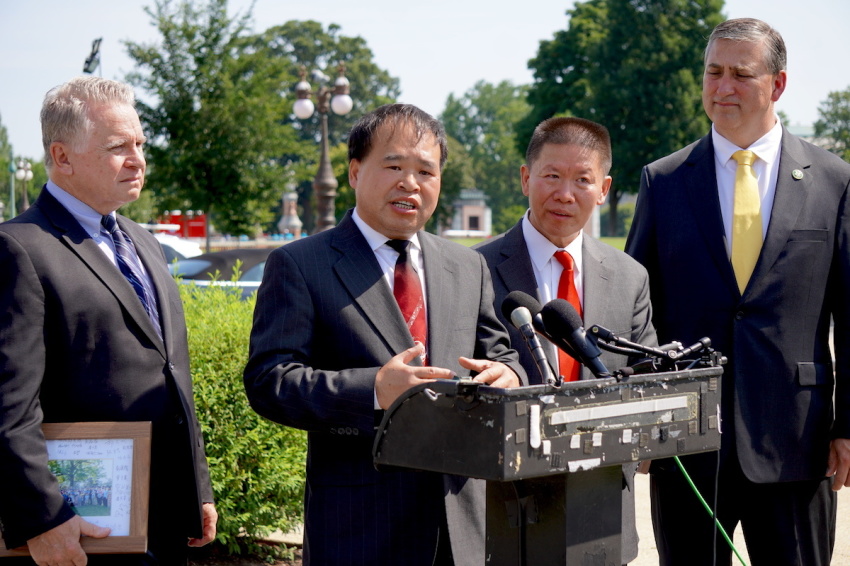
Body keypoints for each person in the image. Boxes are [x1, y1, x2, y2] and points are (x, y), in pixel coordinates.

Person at [243, 103, 525, 566]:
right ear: (355, 172)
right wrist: (373, 389)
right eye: (394, 166)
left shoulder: (467, 265)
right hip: (360, 527)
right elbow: (269, 381)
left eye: (426, 172)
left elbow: (501, 354)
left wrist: (508, 375)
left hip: (461, 525)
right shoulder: (300, 264)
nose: (410, 183)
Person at [625, 17, 850, 566]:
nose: (723, 87)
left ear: (778, 84)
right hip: (687, 445)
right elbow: (635, 311)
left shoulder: (835, 181)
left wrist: (849, 425)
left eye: (741, 75)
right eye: (714, 72)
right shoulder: (664, 180)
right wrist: (639, 417)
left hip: (798, 443)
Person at [0, 76, 217, 565]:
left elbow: (172, 372)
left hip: (162, 516)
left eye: (140, 144)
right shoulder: (18, 248)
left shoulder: (144, 241)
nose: (137, 159)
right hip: (81, 528)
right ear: (62, 157)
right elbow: (8, 407)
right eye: (118, 147)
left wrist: (197, 487)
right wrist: (43, 517)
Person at [475, 116, 656, 564]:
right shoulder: (473, 270)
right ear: (525, 178)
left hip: (602, 510)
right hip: (505, 512)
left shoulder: (631, 276)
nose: (565, 194)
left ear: (604, 189)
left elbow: (646, 379)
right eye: (552, 176)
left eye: (582, 180)